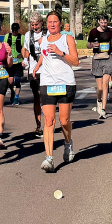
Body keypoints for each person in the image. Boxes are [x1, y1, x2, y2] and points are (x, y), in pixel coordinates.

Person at [32, 11, 79, 172]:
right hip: (47, 83)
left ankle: (68, 143)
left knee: (64, 121)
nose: (52, 24)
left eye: (55, 21)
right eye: (49, 22)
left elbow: (76, 61)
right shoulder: (42, 40)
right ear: (46, 24)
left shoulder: (67, 39)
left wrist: (61, 53)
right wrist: (38, 66)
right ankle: (49, 158)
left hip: (65, 83)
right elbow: (44, 55)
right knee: (49, 120)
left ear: (60, 23)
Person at [22, 11, 47, 137]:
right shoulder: (28, 35)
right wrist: (25, 60)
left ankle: (48, 122)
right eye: (32, 25)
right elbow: (25, 49)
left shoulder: (47, 34)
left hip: (47, 70)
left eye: (36, 24)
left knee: (46, 97)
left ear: (41, 23)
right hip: (34, 71)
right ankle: (38, 125)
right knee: (37, 97)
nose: (34, 27)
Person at [87, 16, 112, 118]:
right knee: (99, 88)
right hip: (97, 59)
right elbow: (88, 45)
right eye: (102, 22)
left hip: (107, 58)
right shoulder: (93, 32)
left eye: (105, 22)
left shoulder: (111, 31)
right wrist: (93, 46)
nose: (104, 24)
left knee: (105, 84)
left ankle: (103, 109)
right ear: (99, 22)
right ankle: (99, 100)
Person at [6, 22, 25, 106]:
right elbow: (4, 47)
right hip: (10, 62)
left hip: (18, 62)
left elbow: (25, 48)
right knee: (10, 82)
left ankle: (16, 98)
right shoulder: (7, 36)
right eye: (13, 30)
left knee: (17, 81)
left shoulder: (22, 37)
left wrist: (22, 55)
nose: (14, 32)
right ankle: (12, 92)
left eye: (16, 30)